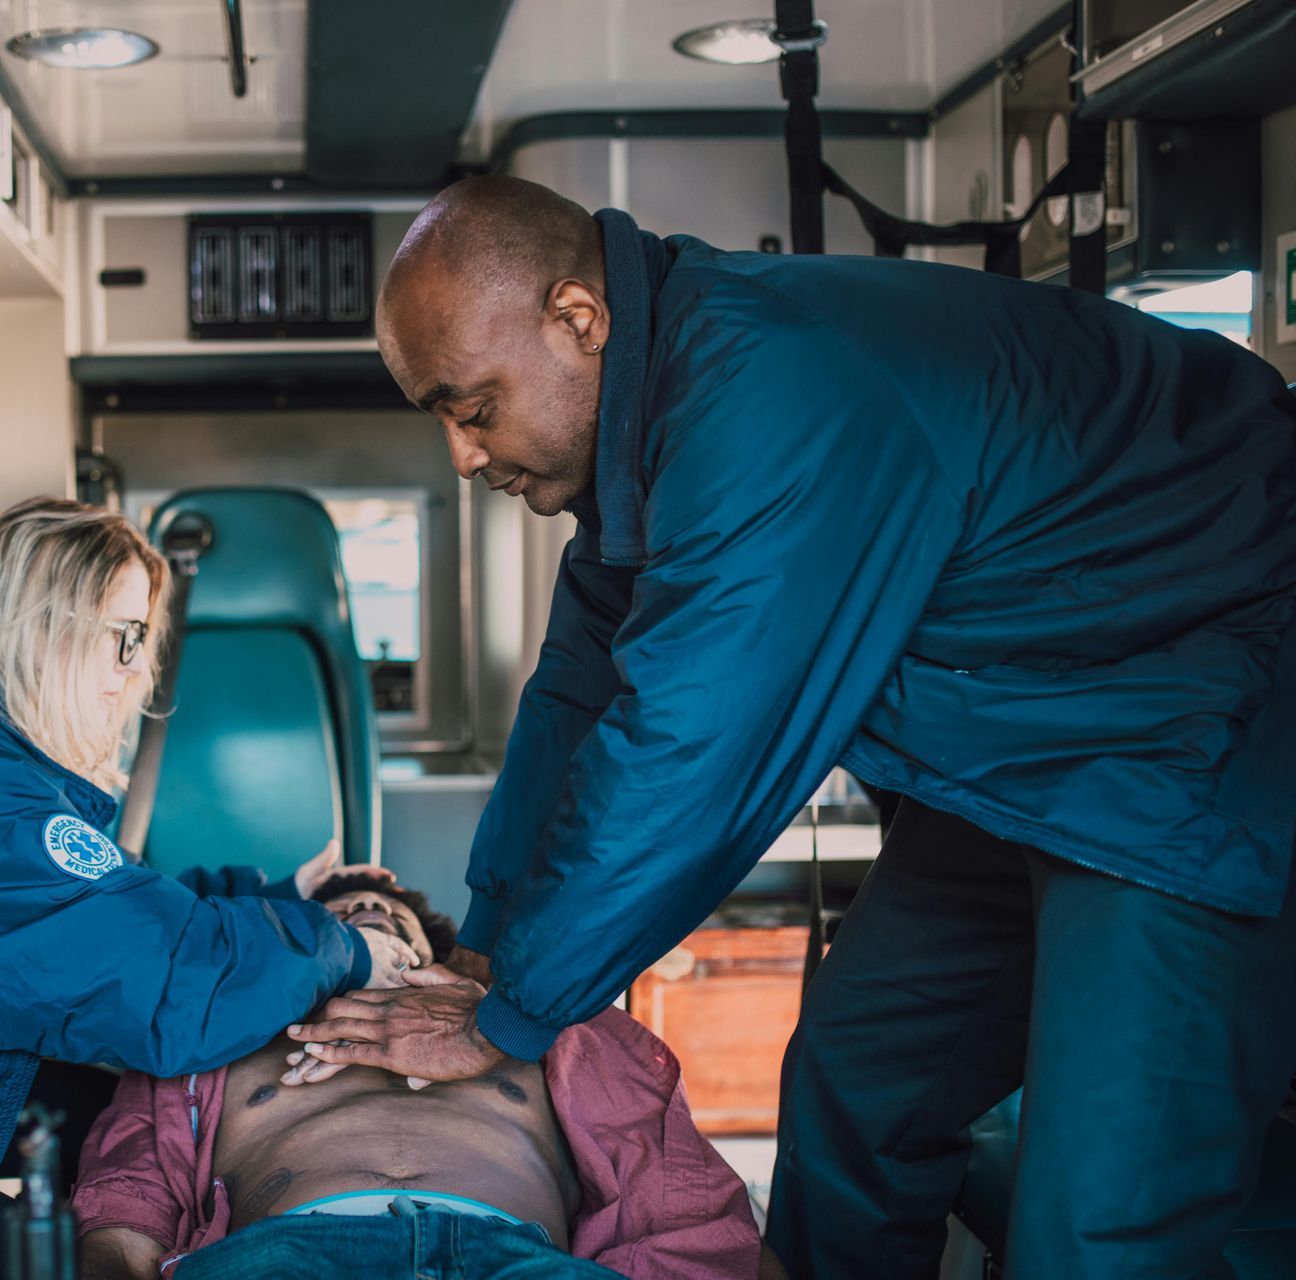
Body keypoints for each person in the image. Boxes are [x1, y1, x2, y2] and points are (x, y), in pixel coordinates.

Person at [281, 175, 1296, 1278]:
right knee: (859, 1082)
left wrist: (506, 1015)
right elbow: (576, 697)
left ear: (578, 319)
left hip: (1196, 725)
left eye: (474, 409)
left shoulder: (766, 396)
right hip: (1020, 754)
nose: (464, 458)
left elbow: (688, 750)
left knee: (1101, 1227)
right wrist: (485, 944)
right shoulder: (646, 444)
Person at [0, 498, 420, 1280]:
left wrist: (282, 894)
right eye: (125, 638)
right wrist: (344, 949)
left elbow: (96, 915)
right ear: (48, 621)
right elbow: (164, 982)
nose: (131, 673)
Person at [71, 874, 765, 1279]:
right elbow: (131, 1186)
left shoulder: (532, 1025)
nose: (374, 909)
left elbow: (665, 1181)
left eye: (394, 916)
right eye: (344, 916)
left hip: (519, 1259)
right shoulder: (217, 1030)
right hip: (290, 1251)